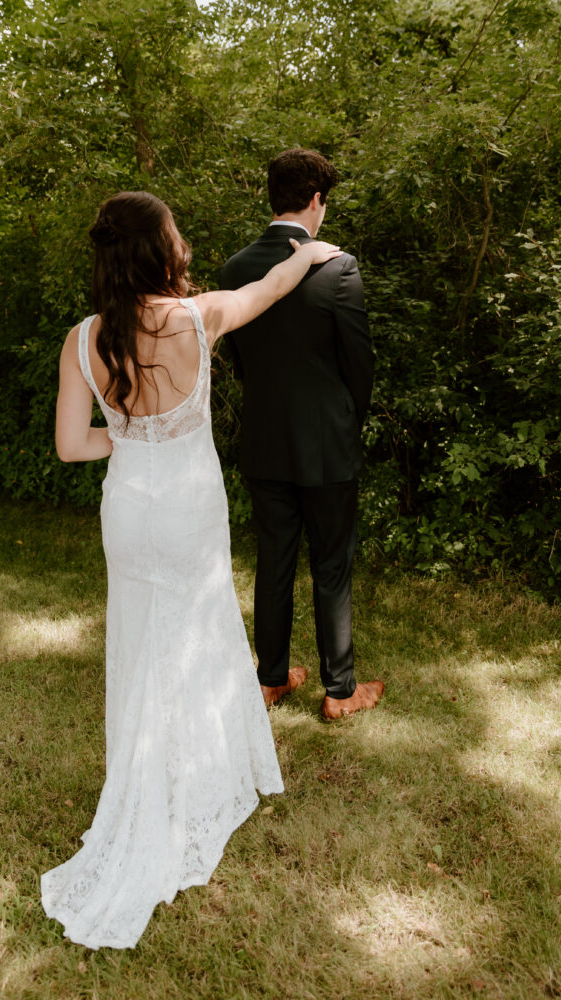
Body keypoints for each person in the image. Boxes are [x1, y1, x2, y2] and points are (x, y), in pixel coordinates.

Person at [41, 189, 342, 949]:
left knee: (140, 644)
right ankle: (193, 782)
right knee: (199, 633)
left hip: (128, 511)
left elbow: (73, 446)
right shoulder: (193, 317)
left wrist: (132, 437)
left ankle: (144, 778)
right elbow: (265, 289)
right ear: (161, 250)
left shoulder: (81, 340)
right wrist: (306, 249)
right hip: (187, 507)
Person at [218, 148, 384, 721]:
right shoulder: (337, 266)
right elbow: (358, 365)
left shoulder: (233, 269)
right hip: (327, 442)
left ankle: (269, 679)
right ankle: (340, 691)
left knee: (274, 558)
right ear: (316, 200)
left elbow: (238, 359)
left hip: (264, 439)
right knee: (331, 563)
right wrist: (347, 421)